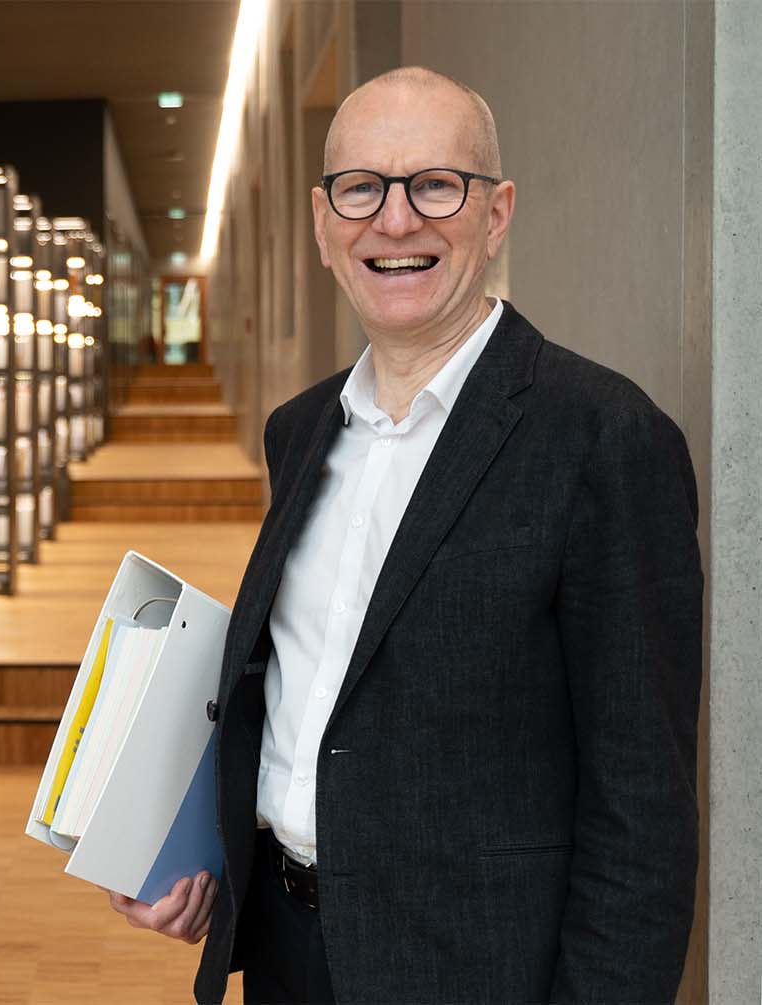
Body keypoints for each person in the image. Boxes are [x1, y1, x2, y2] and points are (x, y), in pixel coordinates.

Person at [108, 66, 702, 1003]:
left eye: (435, 185)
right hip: (285, 954)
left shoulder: (601, 438)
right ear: (321, 222)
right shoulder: (299, 431)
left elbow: (642, 813)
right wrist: (205, 853)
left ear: (496, 213)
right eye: (362, 188)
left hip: (475, 973)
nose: (393, 222)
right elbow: (305, 700)